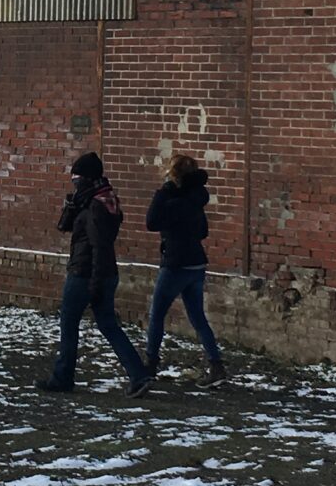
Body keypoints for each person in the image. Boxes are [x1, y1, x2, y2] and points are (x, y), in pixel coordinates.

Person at [40, 149, 149, 396]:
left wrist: (94, 282)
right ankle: (138, 374)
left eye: (77, 179)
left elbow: (99, 245)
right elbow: (65, 227)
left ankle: (63, 377)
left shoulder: (95, 207)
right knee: (109, 325)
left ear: (86, 179)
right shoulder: (99, 200)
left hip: (85, 272)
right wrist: (71, 206)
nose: (75, 184)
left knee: (69, 323)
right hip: (103, 272)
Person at [143, 154, 227, 382]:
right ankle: (215, 364)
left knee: (157, 314)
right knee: (198, 317)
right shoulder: (197, 197)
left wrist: (163, 195)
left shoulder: (170, 198)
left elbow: (151, 221)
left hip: (175, 262)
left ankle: (150, 362)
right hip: (196, 262)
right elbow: (203, 232)